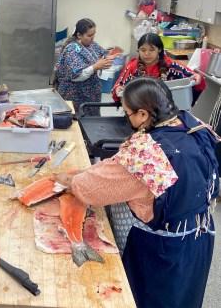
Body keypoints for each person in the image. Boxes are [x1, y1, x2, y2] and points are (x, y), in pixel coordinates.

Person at [54, 76, 219, 308]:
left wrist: (72, 180)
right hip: (198, 236)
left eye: (127, 113)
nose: (127, 118)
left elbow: (89, 189)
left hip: (159, 249)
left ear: (143, 114)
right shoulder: (192, 123)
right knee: (184, 297)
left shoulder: (145, 154)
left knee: (152, 299)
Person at [112, 32, 206, 103]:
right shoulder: (132, 67)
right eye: (143, 50)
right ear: (138, 50)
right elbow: (118, 86)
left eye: (151, 50)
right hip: (139, 114)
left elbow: (193, 78)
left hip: (168, 115)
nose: (147, 54)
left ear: (159, 50)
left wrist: (197, 77)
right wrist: (118, 89)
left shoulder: (171, 66)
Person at [54, 18, 113, 116]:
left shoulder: (92, 45)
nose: (92, 37)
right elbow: (76, 75)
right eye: (89, 35)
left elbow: (102, 54)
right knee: (77, 122)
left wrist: (108, 58)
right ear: (79, 35)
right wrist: (95, 67)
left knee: (91, 123)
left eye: (94, 34)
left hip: (91, 94)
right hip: (75, 94)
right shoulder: (72, 49)